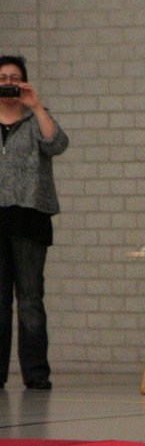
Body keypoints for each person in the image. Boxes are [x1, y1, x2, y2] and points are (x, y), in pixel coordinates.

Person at [0, 54, 69, 390]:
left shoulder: (36, 118)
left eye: (15, 77)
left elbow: (57, 144)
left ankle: (36, 373)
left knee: (29, 298)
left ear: (24, 82)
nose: (8, 83)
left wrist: (36, 106)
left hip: (30, 218)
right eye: (2, 78)